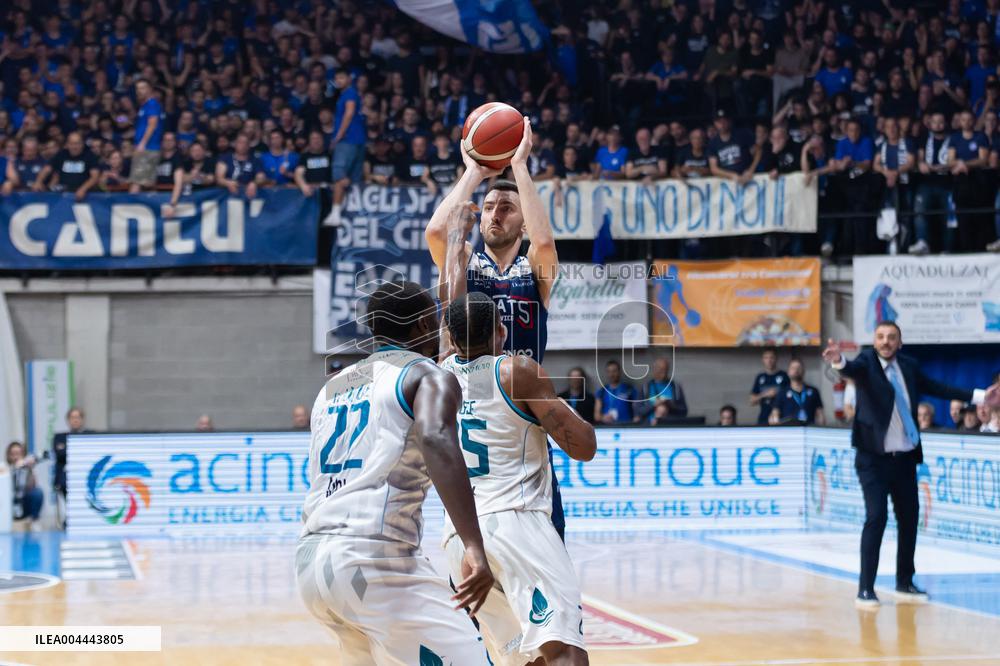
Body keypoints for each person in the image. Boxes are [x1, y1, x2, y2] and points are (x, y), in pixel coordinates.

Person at [295, 281, 493, 666]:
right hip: (373, 559)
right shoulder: (426, 374)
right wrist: (472, 543)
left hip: (311, 562)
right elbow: (436, 439)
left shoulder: (331, 388)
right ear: (422, 324)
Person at [440, 292, 595, 666]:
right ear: (501, 331)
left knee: (524, 660)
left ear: (452, 338)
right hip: (516, 524)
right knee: (564, 652)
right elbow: (583, 446)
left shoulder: (438, 378)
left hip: (460, 538)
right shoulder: (517, 372)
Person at [425, 128, 564, 535]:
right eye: (487, 207)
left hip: (523, 406)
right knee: (472, 533)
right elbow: (436, 232)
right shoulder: (463, 259)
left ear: (522, 223)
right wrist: (473, 172)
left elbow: (544, 241)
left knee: (545, 529)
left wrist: (519, 166)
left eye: (506, 208)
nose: (494, 215)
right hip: (471, 404)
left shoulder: (534, 269)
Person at [822, 323, 1000, 608]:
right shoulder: (867, 363)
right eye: (880, 337)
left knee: (909, 520)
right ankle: (865, 588)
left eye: (892, 337)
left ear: (900, 342)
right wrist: (838, 360)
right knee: (876, 517)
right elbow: (849, 369)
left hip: (905, 458)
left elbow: (939, 388)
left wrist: (980, 396)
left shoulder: (909, 366)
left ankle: (904, 582)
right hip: (873, 460)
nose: (886, 342)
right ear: (875, 341)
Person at [328, 69, 367, 225]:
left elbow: (349, 113)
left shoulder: (349, 94)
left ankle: (336, 213)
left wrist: (338, 135)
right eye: (336, 78)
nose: (338, 81)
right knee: (354, 178)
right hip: (358, 140)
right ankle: (350, 213)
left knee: (339, 175)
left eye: (342, 77)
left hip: (348, 140)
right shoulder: (349, 93)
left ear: (349, 79)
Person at [51, 406, 90, 528]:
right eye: (72, 417)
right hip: (67, 475)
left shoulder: (90, 435)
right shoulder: (59, 437)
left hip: (86, 473)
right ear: (68, 420)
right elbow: (60, 455)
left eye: (78, 417)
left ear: (82, 420)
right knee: (66, 481)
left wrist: (67, 449)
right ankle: (72, 516)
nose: (75, 420)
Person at [128, 78, 162, 191]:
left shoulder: (152, 104)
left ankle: (130, 207)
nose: (139, 91)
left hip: (148, 148)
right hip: (144, 147)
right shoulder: (144, 106)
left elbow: (152, 124)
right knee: (147, 182)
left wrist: (142, 143)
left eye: (143, 88)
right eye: (137, 88)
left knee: (137, 182)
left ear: (150, 89)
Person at [769, 358, 825, 425]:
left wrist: (820, 429)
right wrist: (774, 420)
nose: (796, 370)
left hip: (808, 430)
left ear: (803, 371)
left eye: (799, 368)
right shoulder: (782, 393)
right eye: (793, 368)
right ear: (788, 372)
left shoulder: (814, 391)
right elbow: (775, 413)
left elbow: (820, 414)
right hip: (789, 431)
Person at [6, 441, 44, 530]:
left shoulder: (27, 465)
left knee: (38, 492)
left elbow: (42, 456)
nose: (15, 457)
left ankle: (34, 520)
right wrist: (13, 469)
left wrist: (28, 465)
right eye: (13, 454)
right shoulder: (5, 468)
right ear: (8, 455)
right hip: (10, 503)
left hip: (24, 501)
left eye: (18, 453)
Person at [750, 348, 789, 425]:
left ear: (776, 359)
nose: (769, 360)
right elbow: (752, 401)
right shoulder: (760, 377)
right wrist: (765, 394)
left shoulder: (784, 376)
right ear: (763, 360)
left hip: (782, 416)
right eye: (766, 358)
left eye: (771, 357)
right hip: (764, 416)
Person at [594, 360, 640, 424]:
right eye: (609, 371)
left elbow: (637, 412)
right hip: (607, 429)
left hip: (626, 428)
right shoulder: (602, 391)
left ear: (619, 372)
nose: (611, 374)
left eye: (614, 371)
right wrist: (603, 417)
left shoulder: (629, 389)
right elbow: (597, 416)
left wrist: (636, 420)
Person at [644, 356, 688, 421]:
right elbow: (638, 412)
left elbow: (684, 411)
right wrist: (654, 405)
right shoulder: (646, 387)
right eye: (660, 369)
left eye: (666, 369)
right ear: (654, 369)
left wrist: (669, 405)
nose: (663, 373)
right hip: (649, 427)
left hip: (670, 426)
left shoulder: (675, 387)